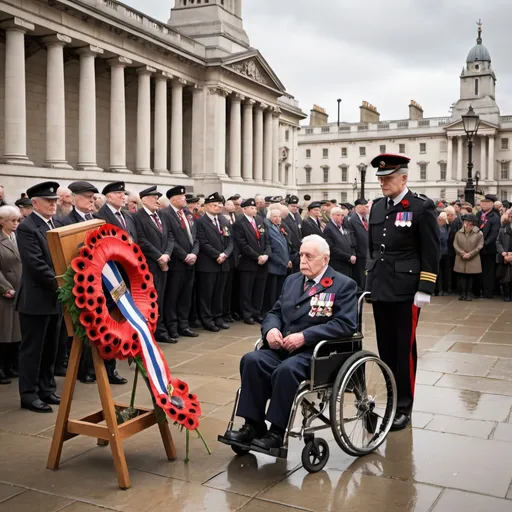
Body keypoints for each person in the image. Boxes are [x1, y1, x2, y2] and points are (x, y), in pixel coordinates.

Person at [221, 235, 357, 451]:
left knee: (286, 370)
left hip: (316, 353)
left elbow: (345, 324)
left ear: (325, 259)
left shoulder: (342, 285)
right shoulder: (293, 280)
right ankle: (253, 425)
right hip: (283, 346)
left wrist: (306, 336)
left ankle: (277, 430)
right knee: (252, 360)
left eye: (309, 256)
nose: (302, 260)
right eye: (301, 254)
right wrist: (271, 330)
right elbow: (275, 311)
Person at [366, 154, 439, 431]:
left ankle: (404, 406)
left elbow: (430, 250)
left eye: (388, 178)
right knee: (386, 348)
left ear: (404, 178)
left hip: (407, 289)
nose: (383, 183)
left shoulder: (421, 207)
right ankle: (392, 399)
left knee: (403, 349)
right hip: (382, 286)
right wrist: (369, 281)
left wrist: (425, 286)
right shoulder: (376, 208)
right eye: (381, 178)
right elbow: (372, 250)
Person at [16, 181, 63, 413]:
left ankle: (46, 388)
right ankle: (29, 394)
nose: (53, 205)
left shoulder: (56, 223)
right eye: (48, 201)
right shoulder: (27, 227)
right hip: (36, 299)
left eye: (55, 201)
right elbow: (35, 264)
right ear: (35, 203)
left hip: (55, 297)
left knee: (50, 347)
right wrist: (62, 284)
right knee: (33, 349)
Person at [95, 181, 135, 385]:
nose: (123, 196)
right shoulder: (100, 217)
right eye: (119, 193)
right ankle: (106, 368)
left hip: (127, 276)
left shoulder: (127, 215)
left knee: (120, 322)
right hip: (109, 279)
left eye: (124, 193)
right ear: (108, 196)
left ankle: (116, 362)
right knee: (109, 323)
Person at [59, 181, 99, 384]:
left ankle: (95, 367)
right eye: (86, 196)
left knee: (96, 324)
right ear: (74, 199)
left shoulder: (95, 220)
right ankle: (82, 369)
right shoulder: (65, 222)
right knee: (80, 328)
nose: (92, 199)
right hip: (77, 280)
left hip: (96, 280)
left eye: (93, 196)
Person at [133, 186, 176, 344]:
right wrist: (159, 257)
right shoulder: (138, 217)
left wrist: (167, 255)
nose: (156, 200)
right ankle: (150, 331)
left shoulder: (162, 216)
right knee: (149, 299)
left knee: (162, 298)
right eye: (153, 197)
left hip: (164, 262)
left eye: (157, 197)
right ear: (144, 199)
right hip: (150, 265)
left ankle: (160, 330)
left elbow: (170, 236)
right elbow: (142, 240)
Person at [161, 186, 199, 339]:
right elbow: (170, 239)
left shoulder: (188, 213)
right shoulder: (165, 214)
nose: (184, 199)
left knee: (186, 295)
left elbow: (195, 237)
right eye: (181, 196)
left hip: (191, 261)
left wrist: (194, 253)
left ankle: (184, 325)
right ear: (173, 199)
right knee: (173, 296)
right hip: (177, 262)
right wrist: (184, 256)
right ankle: (172, 326)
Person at [195, 192, 234, 331]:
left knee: (219, 292)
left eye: (219, 205)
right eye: (213, 205)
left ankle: (218, 317)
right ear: (206, 206)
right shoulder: (200, 222)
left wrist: (225, 254)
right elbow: (202, 242)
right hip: (208, 264)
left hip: (223, 263)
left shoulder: (224, 221)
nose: (217, 207)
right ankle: (207, 319)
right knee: (207, 294)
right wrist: (217, 254)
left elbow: (230, 241)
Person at [233, 198, 271, 325]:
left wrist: (266, 254)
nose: (255, 210)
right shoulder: (239, 223)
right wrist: (257, 256)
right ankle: (247, 314)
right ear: (244, 209)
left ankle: (256, 312)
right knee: (246, 290)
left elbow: (266, 240)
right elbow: (242, 244)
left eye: (255, 208)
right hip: (248, 262)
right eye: (252, 208)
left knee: (259, 289)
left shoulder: (260, 220)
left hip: (263, 262)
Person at [0, 205, 22, 384]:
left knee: (16, 332)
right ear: (2, 222)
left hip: (20, 289)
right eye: (12, 221)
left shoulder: (18, 237)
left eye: (18, 220)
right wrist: (5, 288)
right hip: (5, 293)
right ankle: (1, 368)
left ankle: (12, 366)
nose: (16, 224)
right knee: (4, 333)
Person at [263, 207, 291, 314]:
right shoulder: (269, 228)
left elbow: (285, 246)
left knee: (279, 291)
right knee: (271, 292)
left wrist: (288, 259)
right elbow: (272, 249)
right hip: (273, 266)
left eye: (279, 216)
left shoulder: (279, 227)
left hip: (282, 265)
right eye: (274, 216)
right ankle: (270, 312)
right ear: (269, 217)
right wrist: (283, 261)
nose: (277, 218)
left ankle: (277, 310)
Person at [474, 195, 500, 298]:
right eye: (482, 203)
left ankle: (488, 292)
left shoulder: (494, 217)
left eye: (486, 203)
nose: (483, 205)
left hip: (488, 249)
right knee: (478, 271)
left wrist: (483, 244)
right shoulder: (479, 214)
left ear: (492, 204)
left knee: (488, 272)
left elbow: (494, 234)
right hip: (477, 248)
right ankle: (477, 290)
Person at [454, 214, 484, 301]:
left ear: (472, 223)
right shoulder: (459, 232)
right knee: (462, 275)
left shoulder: (479, 233)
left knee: (470, 276)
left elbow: (480, 245)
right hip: (461, 257)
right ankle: (463, 293)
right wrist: (462, 253)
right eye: (465, 221)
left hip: (473, 258)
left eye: (468, 221)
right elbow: (455, 244)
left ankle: (469, 293)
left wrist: (470, 254)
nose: (466, 223)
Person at [324, 206, 356, 278]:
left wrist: (353, 254)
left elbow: (350, 242)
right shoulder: (329, 228)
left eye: (342, 215)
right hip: (338, 263)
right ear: (332, 216)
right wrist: (348, 256)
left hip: (348, 263)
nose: (341, 217)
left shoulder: (343, 226)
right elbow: (332, 248)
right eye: (338, 215)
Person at [347, 198, 370, 289]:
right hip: (359, 252)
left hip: (365, 252)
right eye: (365, 207)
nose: (367, 209)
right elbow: (352, 237)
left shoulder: (364, 219)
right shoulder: (353, 219)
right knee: (360, 274)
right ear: (359, 207)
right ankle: (361, 290)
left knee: (365, 273)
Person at [281, 195, 302, 273]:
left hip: (298, 250)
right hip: (292, 250)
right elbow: (289, 234)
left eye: (296, 207)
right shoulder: (285, 216)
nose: (295, 208)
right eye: (293, 206)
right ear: (288, 206)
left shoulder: (297, 216)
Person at [496, 210, 512, 301]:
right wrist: (504, 253)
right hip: (504, 256)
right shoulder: (503, 228)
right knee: (504, 277)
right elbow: (498, 242)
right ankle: (506, 294)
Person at [435, 212, 450, 296]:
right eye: (444, 221)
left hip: (444, 252)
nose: (444, 223)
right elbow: (442, 238)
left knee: (442, 272)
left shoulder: (442, 227)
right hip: (439, 252)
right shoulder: (437, 228)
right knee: (439, 273)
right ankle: (438, 289)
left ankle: (441, 289)